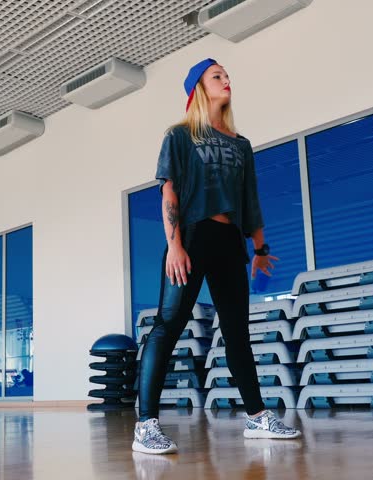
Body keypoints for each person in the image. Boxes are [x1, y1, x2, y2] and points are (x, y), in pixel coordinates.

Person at [132, 58, 301, 455]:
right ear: (198, 88)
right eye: (217, 76)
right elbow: (168, 191)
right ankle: (145, 426)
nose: (227, 81)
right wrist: (174, 244)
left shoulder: (241, 145)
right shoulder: (179, 135)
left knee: (237, 330)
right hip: (191, 237)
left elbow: (250, 201)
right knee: (168, 325)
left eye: (227, 76)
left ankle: (257, 418)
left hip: (229, 241)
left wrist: (260, 249)